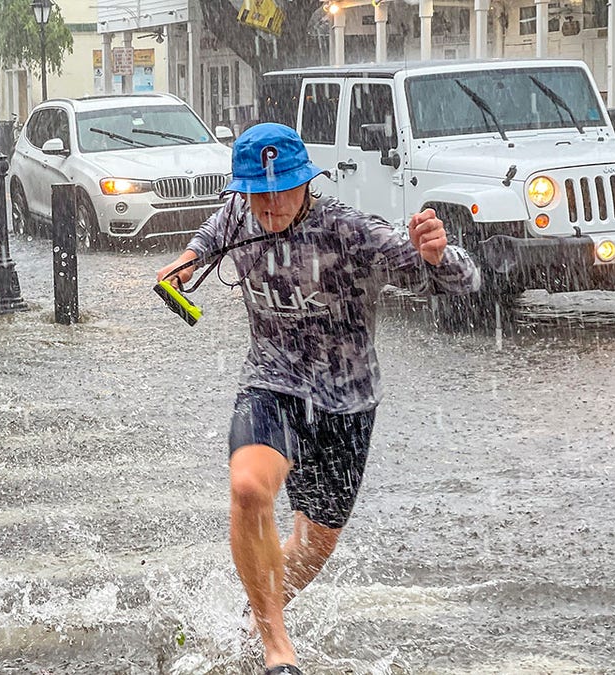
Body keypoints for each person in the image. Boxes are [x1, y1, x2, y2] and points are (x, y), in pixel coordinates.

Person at [155, 123, 480, 674]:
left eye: (284, 189)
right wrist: (186, 260)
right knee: (248, 488)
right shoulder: (240, 213)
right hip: (272, 382)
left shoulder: (349, 231)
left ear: (308, 181)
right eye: (259, 192)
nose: (271, 205)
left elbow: (463, 282)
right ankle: (277, 650)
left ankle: (248, 617)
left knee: (313, 544)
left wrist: (438, 255)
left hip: (345, 402)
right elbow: (213, 232)